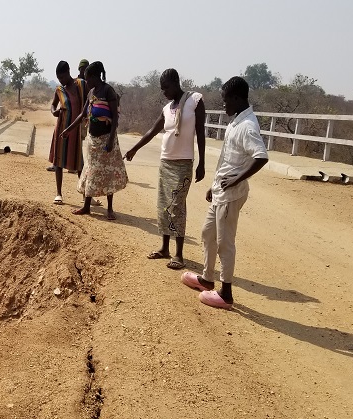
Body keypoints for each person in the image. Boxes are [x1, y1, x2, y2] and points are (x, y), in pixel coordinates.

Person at [180, 76, 268, 309]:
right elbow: (227, 159)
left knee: (225, 243)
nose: (223, 105)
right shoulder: (235, 122)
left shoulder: (247, 126)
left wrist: (236, 180)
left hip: (232, 194)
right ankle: (207, 279)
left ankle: (226, 293)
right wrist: (214, 183)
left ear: (237, 99)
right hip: (221, 190)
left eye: (225, 100)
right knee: (208, 233)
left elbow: (261, 157)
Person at [124, 68, 206, 270]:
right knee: (163, 206)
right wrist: (134, 148)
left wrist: (202, 162)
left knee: (177, 206)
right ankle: (164, 248)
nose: (164, 92)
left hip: (184, 163)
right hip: (166, 162)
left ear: (176, 82)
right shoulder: (167, 108)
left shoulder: (195, 101)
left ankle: (178, 254)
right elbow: (153, 131)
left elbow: (201, 132)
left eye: (166, 87)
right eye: (162, 89)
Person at [62, 61, 127, 220]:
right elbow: (83, 114)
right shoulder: (91, 93)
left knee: (108, 172)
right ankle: (86, 206)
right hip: (92, 140)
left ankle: (110, 209)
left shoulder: (108, 91)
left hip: (106, 139)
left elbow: (114, 119)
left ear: (94, 76)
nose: (86, 81)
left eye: (87, 78)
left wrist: (111, 140)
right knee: (91, 172)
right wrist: (68, 130)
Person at [48, 61, 87, 204]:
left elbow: (88, 102)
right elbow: (52, 105)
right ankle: (59, 193)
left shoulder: (80, 85)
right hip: (61, 128)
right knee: (58, 160)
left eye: (63, 77)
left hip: (76, 129)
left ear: (69, 72)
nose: (61, 81)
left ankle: (85, 193)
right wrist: (54, 112)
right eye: (59, 78)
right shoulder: (59, 89)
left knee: (79, 162)